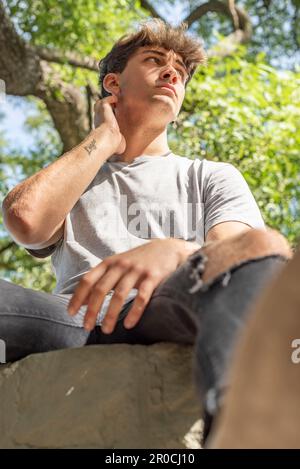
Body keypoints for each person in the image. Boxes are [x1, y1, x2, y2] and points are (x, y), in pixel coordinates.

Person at [1, 19, 292, 445]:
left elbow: (250, 255)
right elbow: (25, 220)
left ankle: (241, 428)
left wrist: (176, 251)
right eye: (155, 61)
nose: (173, 73)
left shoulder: (209, 175)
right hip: (75, 319)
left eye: (180, 70)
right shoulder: (77, 177)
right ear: (113, 84)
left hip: (170, 310)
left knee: (266, 252)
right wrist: (104, 136)